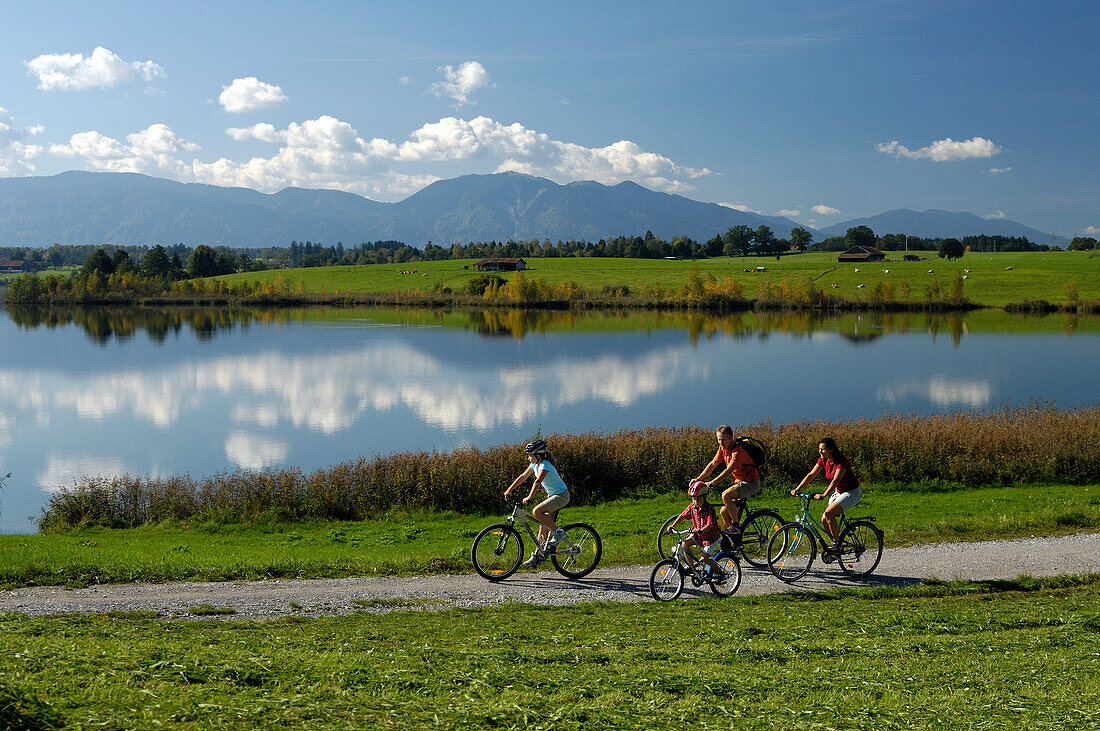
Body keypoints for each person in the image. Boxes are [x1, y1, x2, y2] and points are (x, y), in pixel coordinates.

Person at [503, 439, 570, 568]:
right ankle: (538, 556)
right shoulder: (535, 464)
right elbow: (523, 476)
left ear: (538, 455)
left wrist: (529, 497)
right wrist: (509, 489)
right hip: (552, 496)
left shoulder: (545, 466)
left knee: (536, 511)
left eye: (530, 455)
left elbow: (537, 482)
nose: (528, 458)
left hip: (562, 496)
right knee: (542, 525)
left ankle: (559, 533)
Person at [790, 437, 862, 554]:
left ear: (831, 450)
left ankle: (837, 545)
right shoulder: (823, 460)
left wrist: (824, 495)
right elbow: (811, 475)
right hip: (839, 492)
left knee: (829, 513)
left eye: (822, 449)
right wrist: (797, 489)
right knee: (824, 519)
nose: (820, 452)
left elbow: (835, 481)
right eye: (819, 449)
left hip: (852, 492)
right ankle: (835, 544)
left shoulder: (841, 461)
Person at [696, 424, 761, 535]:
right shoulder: (723, 449)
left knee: (726, 495)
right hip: (740, 482)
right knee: (723, 511)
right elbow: (712, 464)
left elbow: (728, 470)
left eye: (723, 440)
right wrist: (698, 479)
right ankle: (732, 539)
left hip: (751, 483)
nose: (721, 443)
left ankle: (735, 527)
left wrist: (712, 482)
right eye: (719, 440)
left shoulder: (738, 450)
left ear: (731, 438)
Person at [668, 480, 725, 577]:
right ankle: (691, 567)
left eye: (698, 499)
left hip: (710, 538)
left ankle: (720, 572)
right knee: (685, 544)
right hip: (698, 535)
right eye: (693, 499)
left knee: (704, 559)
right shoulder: (692, 506)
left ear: (705, 497)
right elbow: (682, 515)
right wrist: (673, 525)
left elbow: (710, 524)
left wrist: (700, 530)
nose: (695, 502)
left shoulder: (709, 508)